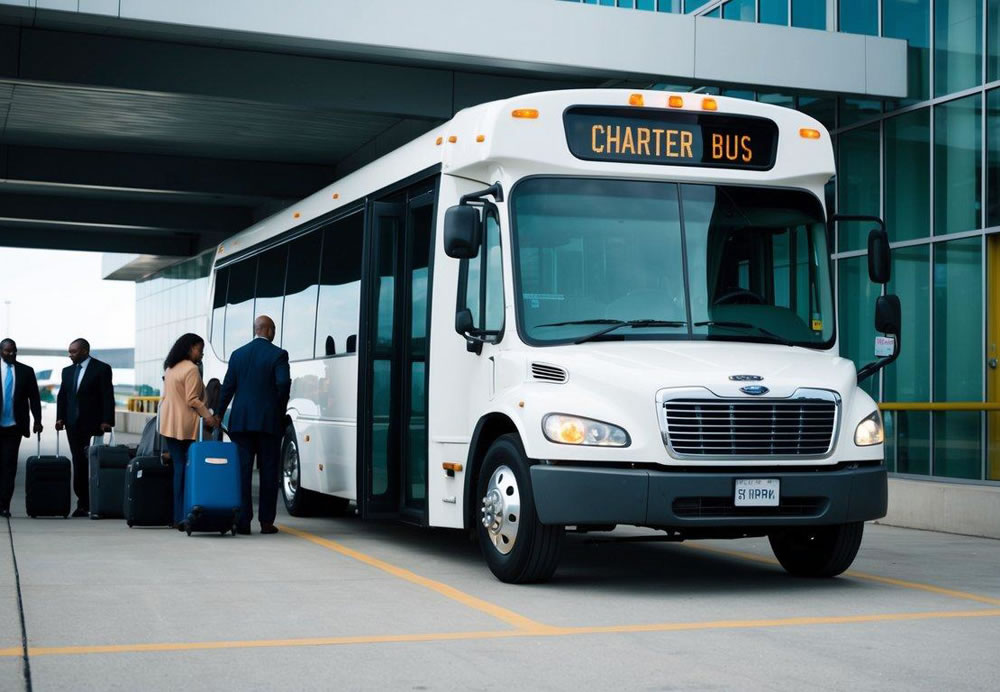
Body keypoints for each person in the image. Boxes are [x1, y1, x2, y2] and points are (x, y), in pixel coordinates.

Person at [218, 315, 290, 535]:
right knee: (269, 472)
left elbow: (227, 387)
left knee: (242, 472)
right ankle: (266, 522)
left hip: (241, 423)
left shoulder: (238, 355)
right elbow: (283, 383)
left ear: (255, 330)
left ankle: (243, 522)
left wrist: (218, 414)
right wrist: (278, 409)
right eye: (274, 329)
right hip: (269, 423)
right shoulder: (278, 354)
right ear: (268, 330)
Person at [159, 333, 221, 529]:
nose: (201, 354)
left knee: (178, 468)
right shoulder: (192, 369)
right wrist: (208, 417)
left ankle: (176, 516)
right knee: (189, 470)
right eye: (199, 349)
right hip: (186, 425)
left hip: (169, 424)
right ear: (189, 348)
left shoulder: (171, 368)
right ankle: (187, 514)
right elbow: (192, 399)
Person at [55, 338, 114, 517]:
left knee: (94, 462)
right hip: (73, 424)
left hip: (95, 424)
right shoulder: (67, 371)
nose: (70, 355)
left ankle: (97, 500)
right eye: (69, 351)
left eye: (73, 352)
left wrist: (107, 420)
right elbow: (63, 396)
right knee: (78, 461)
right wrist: (60, 418)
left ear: (85, 351)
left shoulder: (102, 369)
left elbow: (107, 396)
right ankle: (82, 503)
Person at [0, 339, 43, 518]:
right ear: (1, 351)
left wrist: (37, 420)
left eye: (14, 351)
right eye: (8, 351)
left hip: (14, 427)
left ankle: (4, 506)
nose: (11, 354)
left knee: (9, 467)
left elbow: (34, 398)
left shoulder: (26, 371)